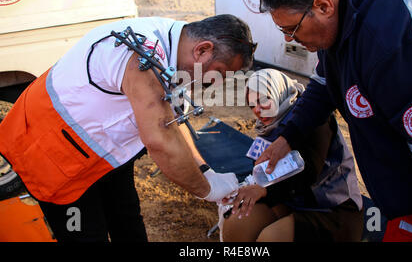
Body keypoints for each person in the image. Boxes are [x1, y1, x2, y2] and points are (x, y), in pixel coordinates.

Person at [0, 14, 257, 242]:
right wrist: (207, 189)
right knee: (86, 233)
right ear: (202, 50)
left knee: (127, 220)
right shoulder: (141, 56)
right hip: (55, 155)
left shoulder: (177, 50)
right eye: (220, 72)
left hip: (103, 150)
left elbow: (173, 121)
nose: (216, 83)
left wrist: (205, 169)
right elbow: (161, 139)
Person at [257, 0, 412, 242]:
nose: (288, 40)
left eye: (291, 30)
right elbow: (323, 85)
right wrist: (288, 137)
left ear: (323, 6)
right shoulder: (340, 13)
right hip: (403, 197)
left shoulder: (396, 46)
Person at [221, 68, 363, 242]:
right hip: (291, 201)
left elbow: (309, 173)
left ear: (278, 92)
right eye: (252, 105)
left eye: (264, 100)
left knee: (271, 238)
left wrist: (264, 191)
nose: (258, 110)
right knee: (237, 224)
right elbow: (262, 171)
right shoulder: (267, 127)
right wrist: (242, 188)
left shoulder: (311, 117)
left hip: (331, 209)